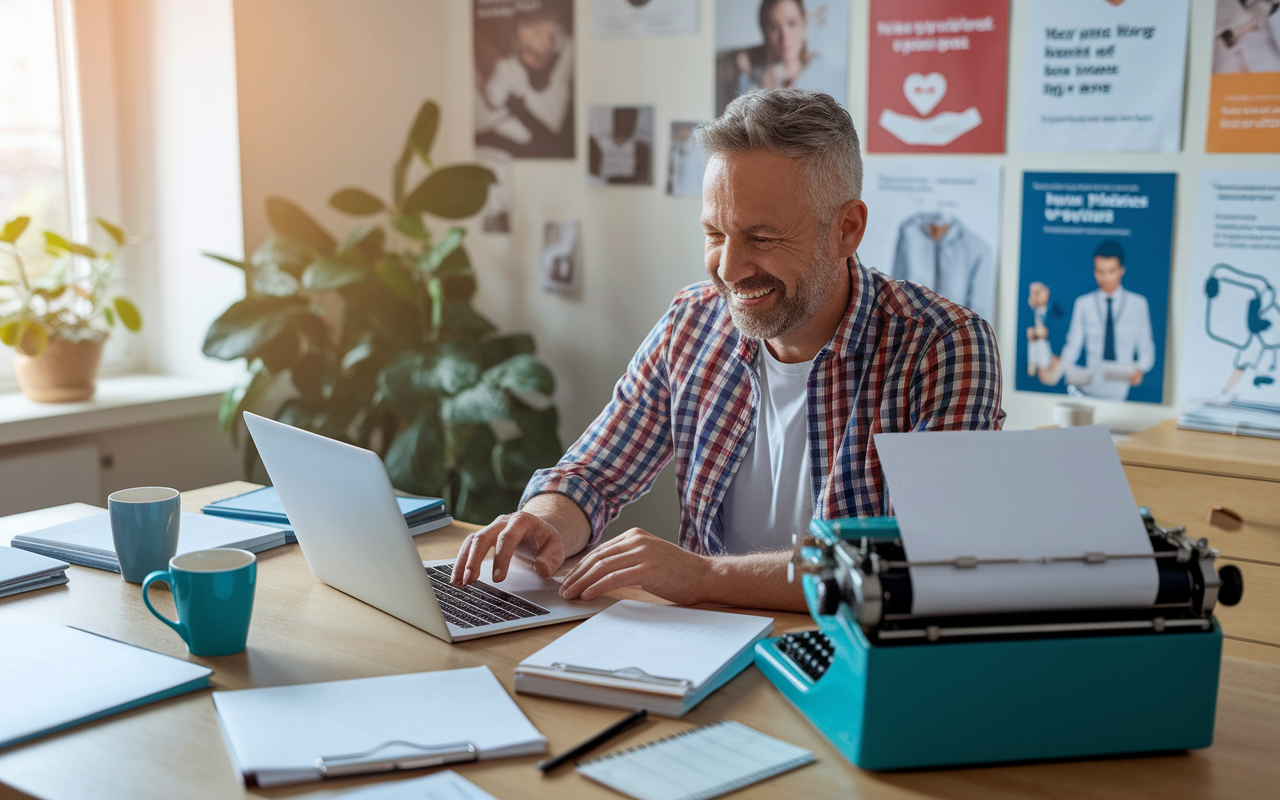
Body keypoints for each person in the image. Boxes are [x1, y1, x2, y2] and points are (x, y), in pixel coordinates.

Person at [451, 89, 1004, 612]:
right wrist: (546, 521)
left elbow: (922, 561)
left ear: (847, 230)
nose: (729, 269)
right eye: (715, 234)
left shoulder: (944, 346)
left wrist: (706, 577)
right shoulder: (692, 322)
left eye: (761, 238)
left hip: (847, 655)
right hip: (703, 642)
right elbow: (592, 474)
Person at [1058, 241, 1156, 402]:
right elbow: (1073, 345)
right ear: (1094, 271)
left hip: (1122, 385)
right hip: (1090, 385)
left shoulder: (1138, 304)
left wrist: (1140, 369)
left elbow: (1147, 349)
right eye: (1100, 271)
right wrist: (1061, 367)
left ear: (1121, 270)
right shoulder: (1084, 303)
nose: (1106, 277)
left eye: (1111, 271)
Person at [475, 6, 574, 158]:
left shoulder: (560, 68)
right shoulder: (506, 67)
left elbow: (550, 136)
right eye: (534, 30)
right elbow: (494, 101)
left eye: (549, 36)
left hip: (531, 143)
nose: (543, 42)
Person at [734, 0, 844, 99]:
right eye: (774, 28)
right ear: (765, 32)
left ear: (804, 23)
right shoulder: (749, 82)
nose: (784, 37)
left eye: (792, 24)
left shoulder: (828, 75)